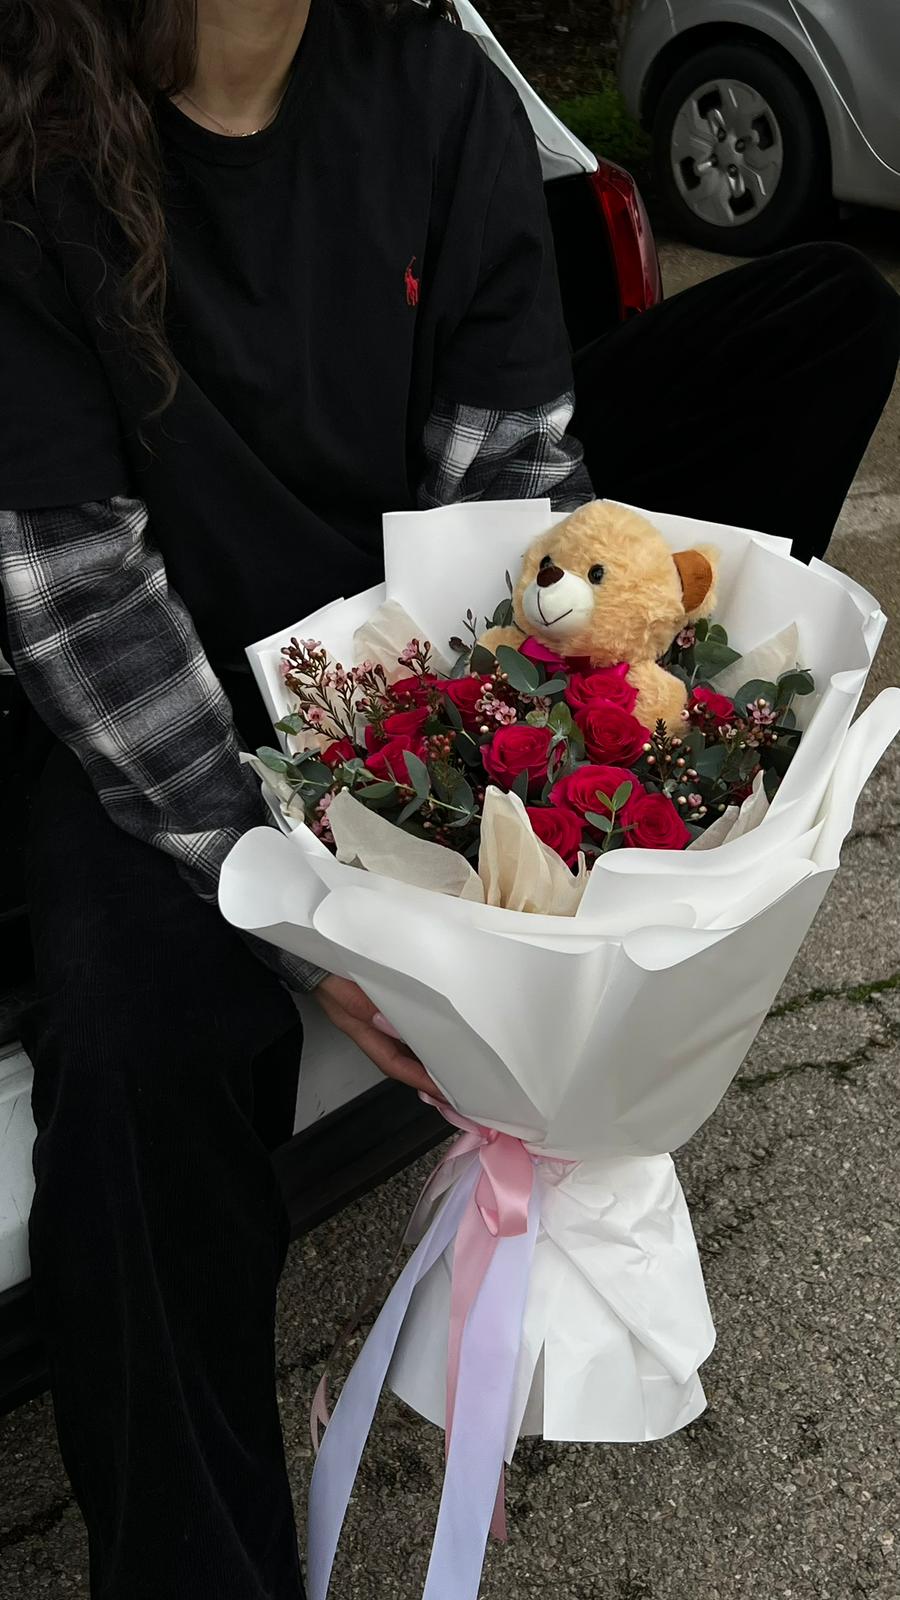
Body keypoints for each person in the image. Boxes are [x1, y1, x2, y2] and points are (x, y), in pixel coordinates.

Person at [0, 0, 896, 1595]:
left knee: (825, 311)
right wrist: (312, 921)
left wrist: (529, 825)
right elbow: (80, 601)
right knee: (129, 1032)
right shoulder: (30, 141)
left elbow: (508, 490)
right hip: (172, 711)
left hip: (398, 665)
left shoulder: (440, 95)